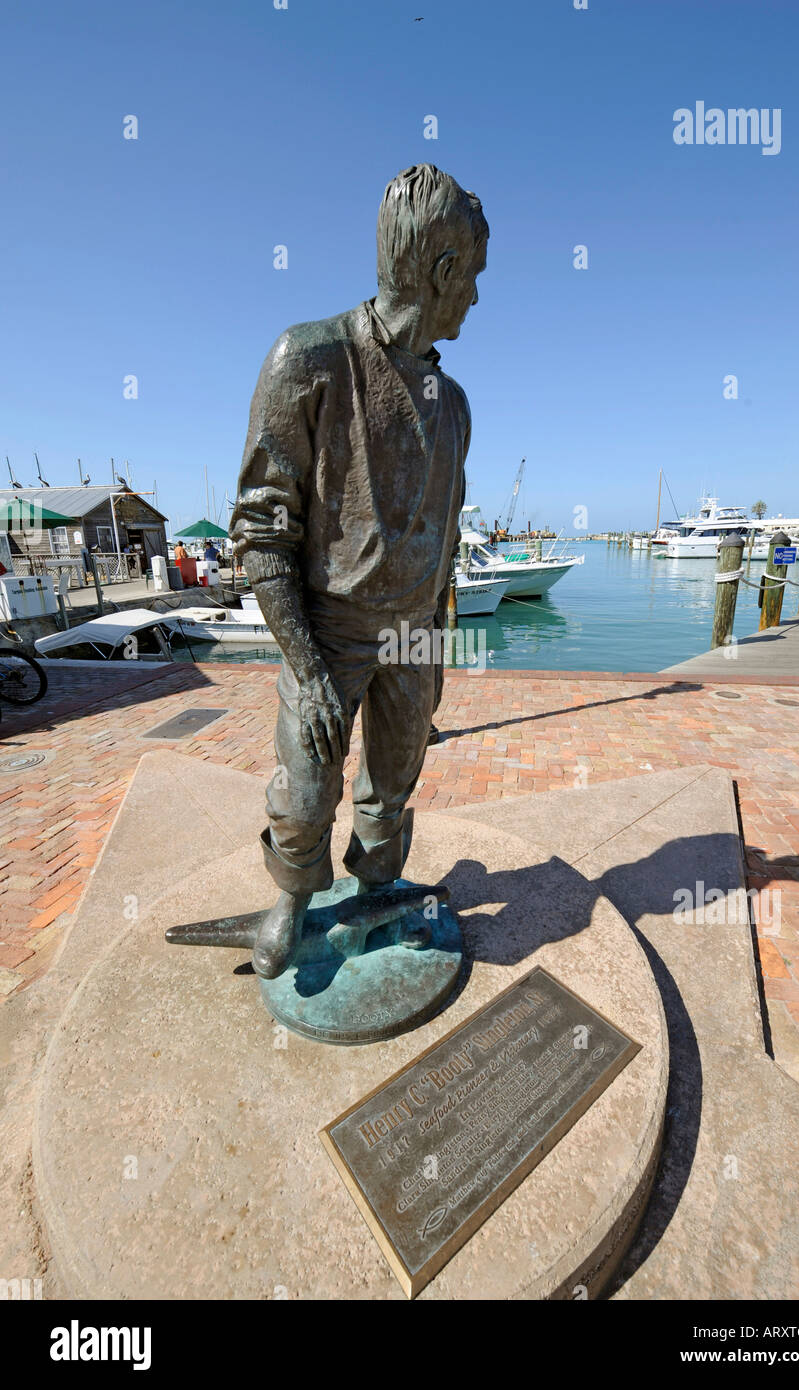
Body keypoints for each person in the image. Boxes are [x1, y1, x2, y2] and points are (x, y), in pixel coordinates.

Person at [230, 164, 487, 978]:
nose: (475, 297)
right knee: (307, 787)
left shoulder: (455, 404)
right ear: (441, 270)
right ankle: (291, 897)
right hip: (330, 630)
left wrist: (435, 640)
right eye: (472, 276)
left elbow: (447, 531)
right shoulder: (307, 358)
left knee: (394, 781)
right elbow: (262, 528)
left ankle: (377, 889)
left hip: (416, 631)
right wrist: (306, 671)